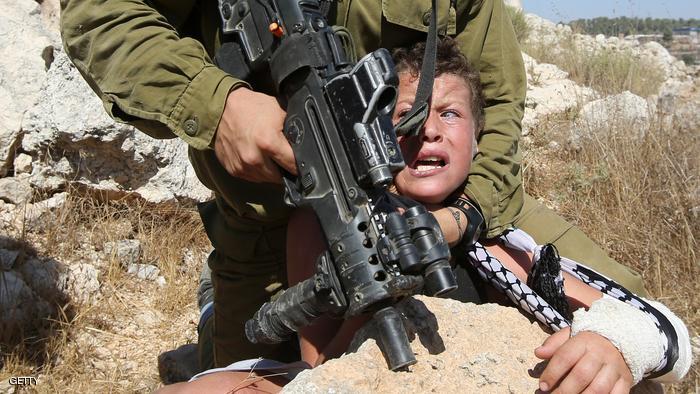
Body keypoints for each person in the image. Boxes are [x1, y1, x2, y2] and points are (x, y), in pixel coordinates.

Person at [60, 0, 648, 371]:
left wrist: (459, 220)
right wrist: (217, 105)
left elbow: (495, 102)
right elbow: (99, 16)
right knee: (243, 369)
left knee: (636, 325)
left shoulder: (480, 221)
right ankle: (214, 315)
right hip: (270, 228)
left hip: (452, 207)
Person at [157, 38, 691, 393]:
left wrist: (614, 344)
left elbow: (666, 330)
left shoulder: (500, 249)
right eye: (404, 116)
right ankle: (210, 302)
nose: (427, 130)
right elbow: (323, 370)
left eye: (450, 114)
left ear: (479, 141)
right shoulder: (322, 226)